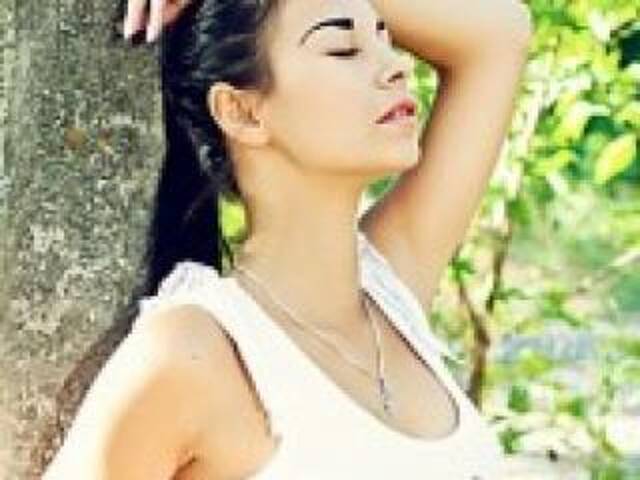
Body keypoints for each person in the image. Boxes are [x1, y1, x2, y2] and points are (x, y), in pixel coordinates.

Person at [35, 0, 532, 478]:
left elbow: (499, 34)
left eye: (385, 38)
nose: (396, 67)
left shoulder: (391, 297)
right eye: (343, 49)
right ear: (241, 111)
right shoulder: (195, 350)